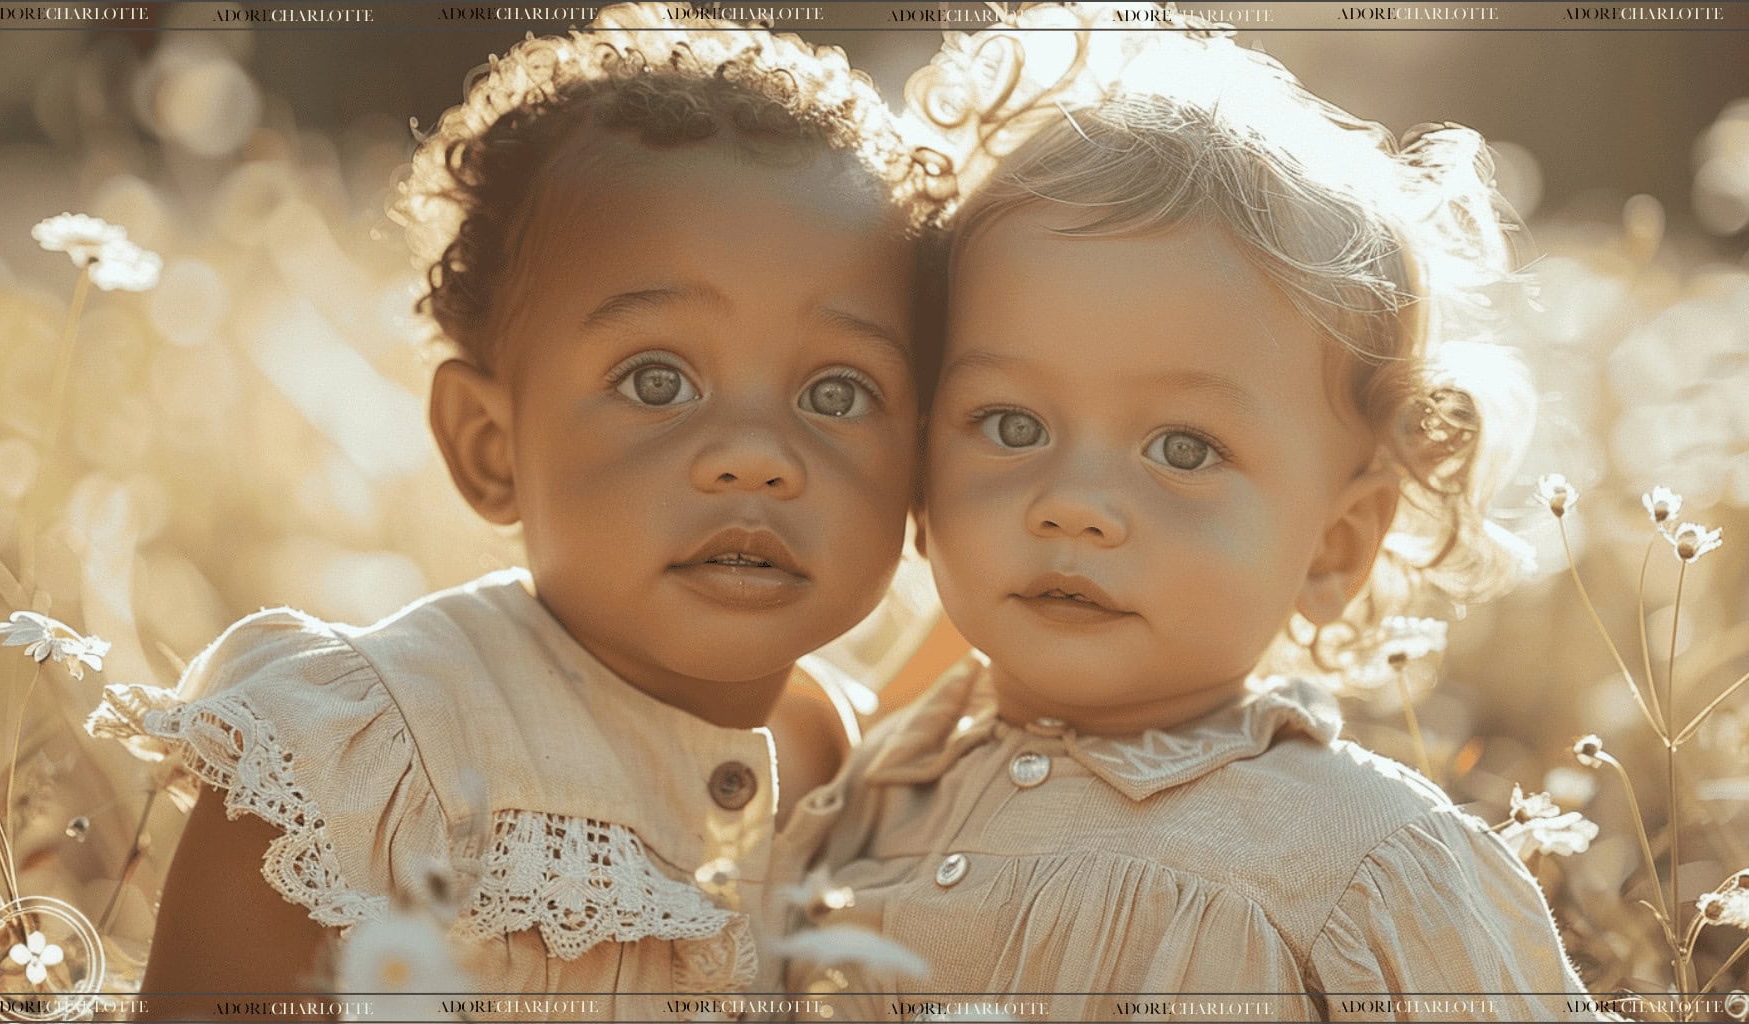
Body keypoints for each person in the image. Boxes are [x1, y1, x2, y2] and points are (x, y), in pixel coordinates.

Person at [85, 4, 948, 1019]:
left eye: (837, 393)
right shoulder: (369, 764)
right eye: (658, 380)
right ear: (490, 446)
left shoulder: (879, 773)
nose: (756, 457)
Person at [784, 7, 1609, 1020]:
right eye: (1008, 423)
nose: (1074, 505)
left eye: (1183, 449)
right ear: (918, 466)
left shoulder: (1363, 862)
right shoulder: (866, 789)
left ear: (1334, 545)